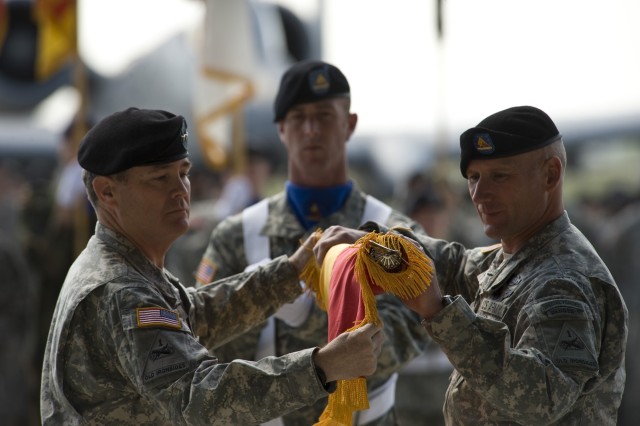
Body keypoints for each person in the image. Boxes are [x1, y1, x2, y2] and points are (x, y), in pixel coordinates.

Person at [40, 107, 385, 425]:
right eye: (159, 178)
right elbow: (199, 400)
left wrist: (294, 270)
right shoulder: (120, 289)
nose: (181, 191)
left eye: (184, 172)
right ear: (107, 193)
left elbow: (197, 316)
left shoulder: (129, 265)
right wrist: (323, 365)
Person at [313, 106, 628, 424]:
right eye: (474, 177)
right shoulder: (519, 256)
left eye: (499, 176)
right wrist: (377, 241)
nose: (480, 193)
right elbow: (455, 263)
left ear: (550, 175)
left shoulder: (563, 281)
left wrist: (439, 314)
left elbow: (542, 398)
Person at [194, 60, 430, 425]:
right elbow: (206, 340)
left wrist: (320, 310)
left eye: (324, 116)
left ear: (349, 124)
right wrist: (266, 299)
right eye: (298, 118)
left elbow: (413, 330)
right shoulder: (237, 235)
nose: (311, 130)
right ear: (281, 129)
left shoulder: (391, 231)